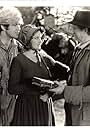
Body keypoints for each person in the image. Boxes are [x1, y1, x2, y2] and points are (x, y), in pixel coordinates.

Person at [8, 24, 68, 126]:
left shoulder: (44, 57)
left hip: (45, 105)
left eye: (40, 37)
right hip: (27, 108)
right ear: (27, 40)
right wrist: (32, 85)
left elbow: (65, 72)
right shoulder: (18, 60)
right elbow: (12, 89)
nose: (40, 41)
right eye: (36, 38)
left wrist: (49, 93)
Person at [62, 10, 90, 126]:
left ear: (86, 30)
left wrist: (65, 91)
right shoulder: (79, 49)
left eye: (75, 29)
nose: (72, 32)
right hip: (73, 113)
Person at [0, 7, 24, 126]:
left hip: (13, 101)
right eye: (15, 25)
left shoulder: (19, 47)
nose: (19, 28)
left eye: (19, 24)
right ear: (3, 26)